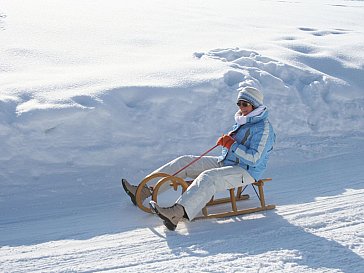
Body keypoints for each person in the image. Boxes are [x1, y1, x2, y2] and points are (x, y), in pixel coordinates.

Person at [122, 86, 276, 231]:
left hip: (246, 171)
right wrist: (227, 142)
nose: (241, 108)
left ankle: (176, 213)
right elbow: (236, 146)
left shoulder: (264, 128)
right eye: (239, 104)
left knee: (208, 177)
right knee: (185, 161)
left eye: (245, 104)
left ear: (255, 106)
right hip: (226, 162)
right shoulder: (244, 120)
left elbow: (254, 158)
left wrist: (232, 145)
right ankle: (142, 191)